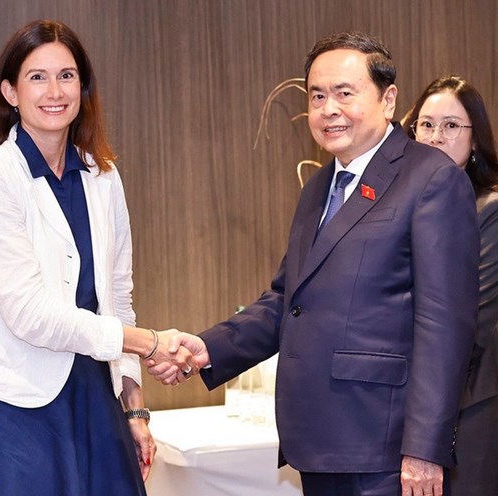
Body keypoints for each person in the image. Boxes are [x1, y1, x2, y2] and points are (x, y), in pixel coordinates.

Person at [149, 32, 480, 496]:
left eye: (345, 93)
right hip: (320, 440)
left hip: (386, 447)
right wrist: (208, 348)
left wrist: (424, 448)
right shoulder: (319, 186)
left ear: (388, 100)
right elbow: (289, 298)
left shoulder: (431, 179)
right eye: (317, 96)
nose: (328, 108)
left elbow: (444, 325)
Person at [0, 20, 189, 495]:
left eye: (67, 75)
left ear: (83, 87)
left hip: (94, 394)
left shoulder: (102, 176)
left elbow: (117, 295)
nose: (54, 91)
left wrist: (133, 405)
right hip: (7, 404)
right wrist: (150, 343)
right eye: (37, 77)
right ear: (10, 92)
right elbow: (30, 315)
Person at [402, 75, 498, 496]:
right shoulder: (393, 206)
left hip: (467, 403)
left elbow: (468, 324)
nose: (436, 137)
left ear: (475, 140)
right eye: (426, 124)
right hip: (399, 403)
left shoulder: (491, 210)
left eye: (452, 125)